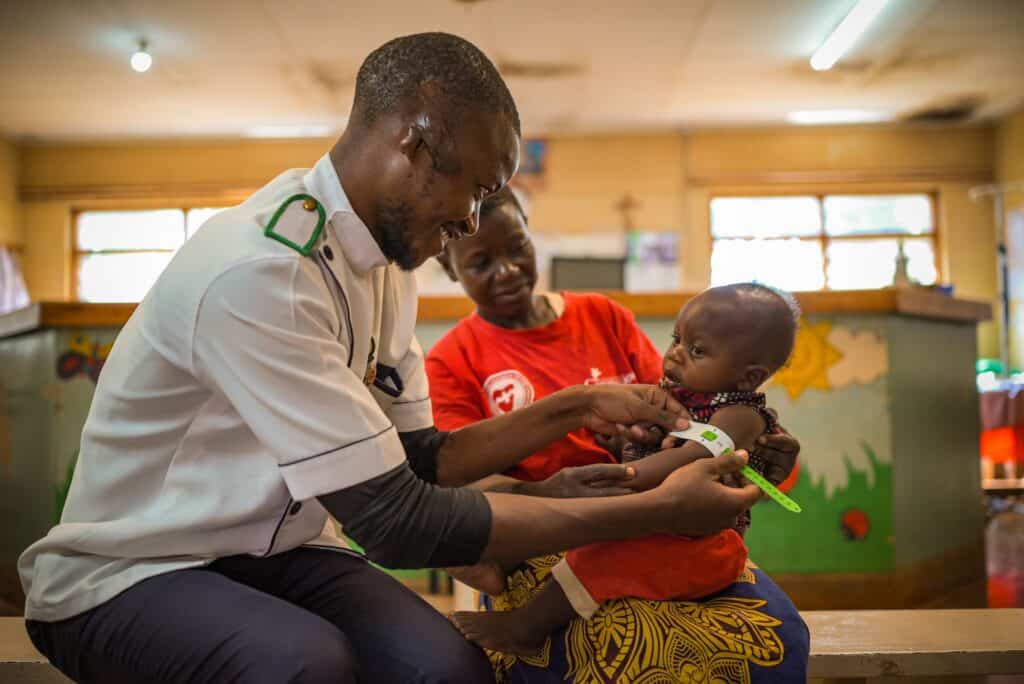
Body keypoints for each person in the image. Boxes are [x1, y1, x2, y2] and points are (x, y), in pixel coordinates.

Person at [18, 33, 769, 684]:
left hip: (280, 551)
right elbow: (395, 523)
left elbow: (417, 462)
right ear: (412, 141)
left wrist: (575, 417)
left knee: (443, 670)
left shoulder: (384, 268)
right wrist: (650, 510)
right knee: (302, 666)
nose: (471, 222)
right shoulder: (263, 270)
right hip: (137, 573)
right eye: (473, 190)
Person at [426, 188, 809, 682]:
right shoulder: (453, 361)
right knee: (627, 650)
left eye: (518, 248)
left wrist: (759, 446)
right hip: (547, 537)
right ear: (451, 269)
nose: (508, 271)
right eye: (480, 262)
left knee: (777, 633)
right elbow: (457, 487)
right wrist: (550, 492)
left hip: (665, 524)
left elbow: (689, 410)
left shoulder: (603, 317)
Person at [450, 283, 800, 656]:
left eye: (696, 351)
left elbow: (690, 457)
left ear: (749, 377)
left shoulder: (740, 414)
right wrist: (626, 444)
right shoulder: (688, 393)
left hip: (695, 545)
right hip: (655, 522)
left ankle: (526, 626)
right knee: (590, 551)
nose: (676, 355)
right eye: (676, 339)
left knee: (597, 563)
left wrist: (627, 476)